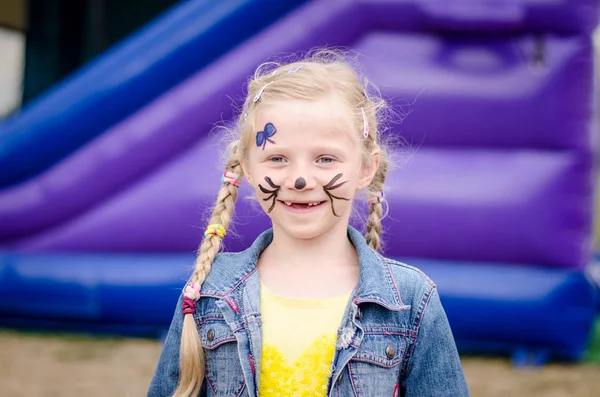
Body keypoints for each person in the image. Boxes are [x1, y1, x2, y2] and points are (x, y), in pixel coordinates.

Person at [147, 50, 469, 397]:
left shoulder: (412, 301)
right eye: (278, 158)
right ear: (249, 169)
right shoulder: (209, 293)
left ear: (365, 168)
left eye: (325, 158)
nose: (300, 180)